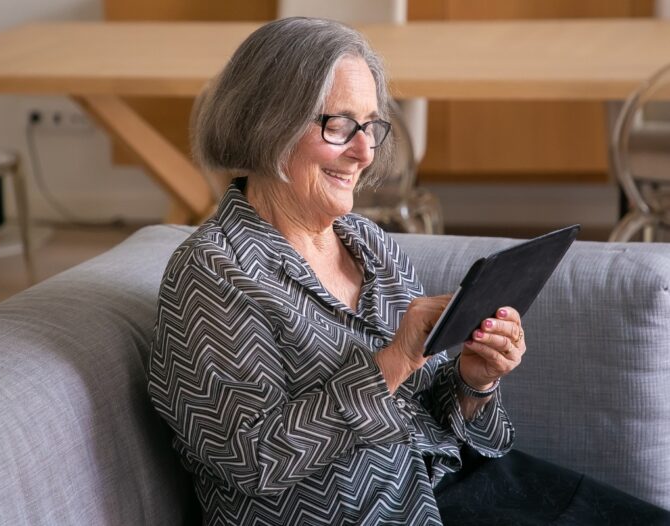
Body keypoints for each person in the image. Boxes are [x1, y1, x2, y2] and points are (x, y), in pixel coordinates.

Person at [147, 17, 670, 525]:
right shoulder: (213, 273)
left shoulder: (366, 242)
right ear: (268, 124)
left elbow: (435, 405)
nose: (365, 151)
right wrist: (393, 361)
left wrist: (474, 381)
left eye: (371, 126)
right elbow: (250, 459)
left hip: (451, 484)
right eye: (339, 125)